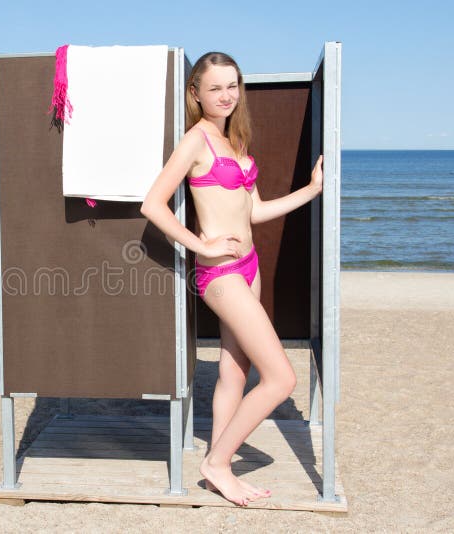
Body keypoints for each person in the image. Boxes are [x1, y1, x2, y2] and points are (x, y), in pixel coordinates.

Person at [139, 51, 324, 507]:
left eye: (233, 85)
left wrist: (312, 190)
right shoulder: (195, 141)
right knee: (281, 379)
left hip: (249, 266)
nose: (226, 95)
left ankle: (218, 461)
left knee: (234, 370)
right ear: (195, 93)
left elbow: (255, 211)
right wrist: (201, 246)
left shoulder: (236, 145)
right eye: (215, 87)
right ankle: (218, 462)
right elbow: (152, 204)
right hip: (220, 274)